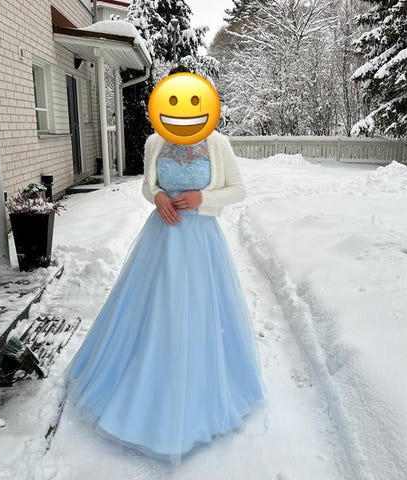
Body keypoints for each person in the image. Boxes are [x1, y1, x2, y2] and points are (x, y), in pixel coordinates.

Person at [64, 66, 268, 466]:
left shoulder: (218, 143)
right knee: (152, 311)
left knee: (197, 313)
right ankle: (142, 385)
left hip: (200, 242)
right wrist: (156, 196)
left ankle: (199, 393)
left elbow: (238, 190)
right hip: (160, 238)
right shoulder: (155, 141)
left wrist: (203, 199)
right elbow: (147, 184)